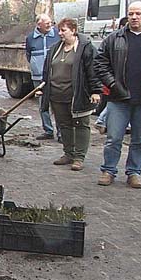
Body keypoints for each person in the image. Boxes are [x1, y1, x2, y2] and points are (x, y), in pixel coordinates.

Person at [94, 3, 141, 188]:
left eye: (138, 13)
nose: (134, 17)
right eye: (131, 13)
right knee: (113, 138)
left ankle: (134, 172)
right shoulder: (114, 38)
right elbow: (100, 63)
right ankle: (108, 170)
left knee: (140, 139)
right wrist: (113, 85)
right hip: (119, 98)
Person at [39, 18, 102, 171]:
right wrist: (43, 87)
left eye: (63, 30)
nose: (60, 33)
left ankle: (79, 157)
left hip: (78, 94)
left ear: (73, 30)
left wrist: (95, 90)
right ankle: (68, 153)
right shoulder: (55, 49)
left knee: (81, 125)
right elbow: (47, 70)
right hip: (57, 95)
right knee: (64, 125)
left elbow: (93, 70)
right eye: (59, 30)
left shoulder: (85, 48)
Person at [94, 17, 131, 135]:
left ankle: (103, 121)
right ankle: (102, 121)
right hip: (115, 85)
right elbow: (100, 62)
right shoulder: (112, 40)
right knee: (112, 105)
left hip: (134, 89)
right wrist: (112, 82)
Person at [25, 13, 59, 140]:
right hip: (38, 77)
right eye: (47, 23)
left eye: (51, 22)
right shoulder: (30, 38)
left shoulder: (56, 35)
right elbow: (28, 55)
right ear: (39, 25)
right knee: (43, 105)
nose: (50, 25)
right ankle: (48, 131)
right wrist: (37, 67)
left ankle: (61, 132)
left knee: (57, 105)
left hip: (55, 76)